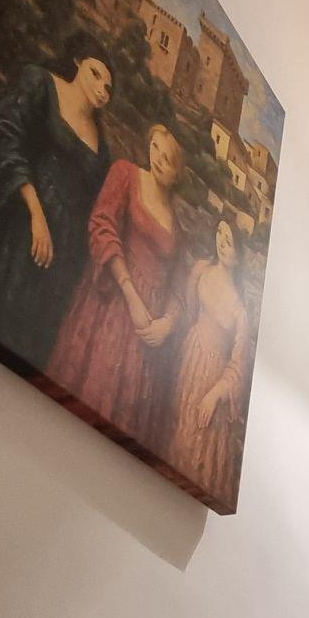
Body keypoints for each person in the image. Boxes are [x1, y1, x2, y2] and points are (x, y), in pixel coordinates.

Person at [0, 32, 115, 366]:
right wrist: (36, 215)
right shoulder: (40, 83)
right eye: (95, 74)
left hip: (64, 250)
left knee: (28, 338)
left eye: (108, 87)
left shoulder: (103, 144)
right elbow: (6, 137)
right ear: (78, 62)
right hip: (20, 223)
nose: (102, 89)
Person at [46, 122, 187, 436]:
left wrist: (167, 323)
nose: (158, 159)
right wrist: (131, 295)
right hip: (113, 305)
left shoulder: (178, 228)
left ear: (177, 175)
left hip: (148, 331)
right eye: (155, 148)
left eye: (167, 159)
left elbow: (179, 287)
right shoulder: (126, 174)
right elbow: (102, 225)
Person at [166, 220, 253, 496]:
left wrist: (215, 394)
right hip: (188, 360)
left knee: (196, 447)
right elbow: (187, 310)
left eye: (229, 241)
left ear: (239, 255)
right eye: (220, 234)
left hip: (212, 378)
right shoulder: (201, 270)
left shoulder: (240, 311)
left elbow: (238, 366)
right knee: (174, 429)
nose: (222, 244)